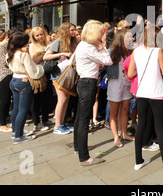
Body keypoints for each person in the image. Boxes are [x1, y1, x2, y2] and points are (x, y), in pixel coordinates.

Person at [127, 24, 163, 176]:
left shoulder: (136, 51)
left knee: (141, 125)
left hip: (141, 92)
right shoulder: (157, 51)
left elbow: (131, 73)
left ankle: (138, 161)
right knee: (158, 127)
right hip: (156, 93)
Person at [74, 20, 113, 166]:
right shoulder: (90, 47)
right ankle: (84, 157)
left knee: (80, 118)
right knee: (84, 120)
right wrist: (101, 45)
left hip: (83, 82)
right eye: (102, 32)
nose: (104, 34)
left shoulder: (82, 45)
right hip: (88, 83)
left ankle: (78, 147)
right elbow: (108, 61)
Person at [7, 32, 44, 144]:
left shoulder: (10, 53)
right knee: (23, 110)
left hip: (14, 80)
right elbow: (33, 71)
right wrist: (41, 69)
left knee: (16, 109)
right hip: (24, 81)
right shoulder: (23, 55)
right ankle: (19, 136)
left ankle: (15, 132)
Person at [43, 22, 78, 135]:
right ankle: (57, 125)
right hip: (59, 74)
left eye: (74, 30)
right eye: (72, 30)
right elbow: (46, 56)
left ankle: (61, 124)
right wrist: (61, 54)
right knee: (62, 99)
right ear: (66, 30)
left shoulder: (73, 42)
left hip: (68, 73)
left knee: (65, 100)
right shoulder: (58, 42)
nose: (74, 32)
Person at [107, 29, 133, 148]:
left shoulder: (131, 51)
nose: (131, 39)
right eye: (128, 37)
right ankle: (115, 136)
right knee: (114, 112)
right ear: (121, 39)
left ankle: (124, 133)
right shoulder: (111, 52)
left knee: (125, 109)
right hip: (115, 84)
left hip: (127, 84)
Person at [29, 26, 52, 132]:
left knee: (46, 99)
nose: (39, 37)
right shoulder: (32, 46)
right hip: (37, 76)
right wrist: (45, 53)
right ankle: (36, 122)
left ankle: (46, 119)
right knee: (36, 100)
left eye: (41, 34)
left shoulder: (49, 44)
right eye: (37, 35)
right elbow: (35, 60)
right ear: (33, 37)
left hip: (48, 74)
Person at [0, 30, 16, 133]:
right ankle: (2, 124)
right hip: (4, 74)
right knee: (4, 99)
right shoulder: (3, 46)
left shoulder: (13, 46)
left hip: (11, 73)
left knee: (8, 98)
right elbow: (2, 63)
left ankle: (6, 117)